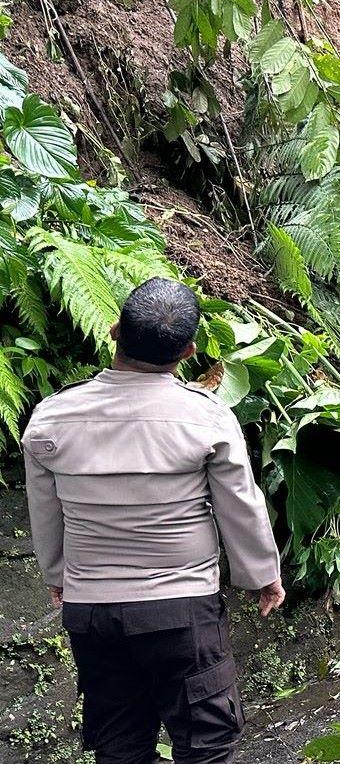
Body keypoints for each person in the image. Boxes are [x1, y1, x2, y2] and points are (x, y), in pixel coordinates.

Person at [24, 277, 284, 764]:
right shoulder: (205, 418)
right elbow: (240, 504)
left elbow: (45, 507)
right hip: (181, 608)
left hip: (92, 609)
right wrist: (262, 576)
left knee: (119, 744)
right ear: (188, 352)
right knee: (205, 744)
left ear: (114, 330)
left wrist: (57, 575)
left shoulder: (51, 417)